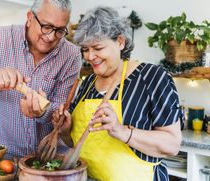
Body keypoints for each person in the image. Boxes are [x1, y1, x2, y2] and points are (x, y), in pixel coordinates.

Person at [52, 6, 183, 181]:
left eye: (97, 47)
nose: (90, 56)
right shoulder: (87, 84)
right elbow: (76, 144)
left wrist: (122, 131)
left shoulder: (152, 78)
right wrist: (66, 131)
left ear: (120, 42)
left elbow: (172, 144)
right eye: (85, 49)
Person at [0, 0, 81, 158]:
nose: (51, 37)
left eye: (59, 30)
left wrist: (42, 113)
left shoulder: (71, 55)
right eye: (46, 26)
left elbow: (60, 110)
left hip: (48, 158)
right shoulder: (0, 38)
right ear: (30, 17)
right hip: (2, 156)